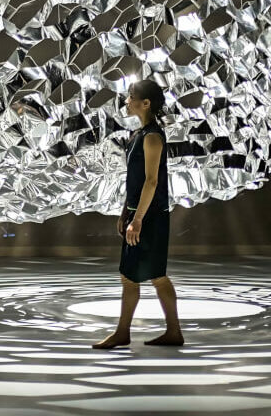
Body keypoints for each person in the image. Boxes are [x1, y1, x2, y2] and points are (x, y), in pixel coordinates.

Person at [93, 78, 184, 349]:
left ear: (145, 103)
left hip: (150, 217)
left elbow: (151, 181)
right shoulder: (139, 135)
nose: (126, 101)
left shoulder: (152, 137)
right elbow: (134, 180)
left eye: (130, 96)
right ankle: (165, 332)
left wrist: (138, 220)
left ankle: (127, 333)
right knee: (139, 275)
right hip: (140, 214)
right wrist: (125, 213)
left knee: (149, 275)